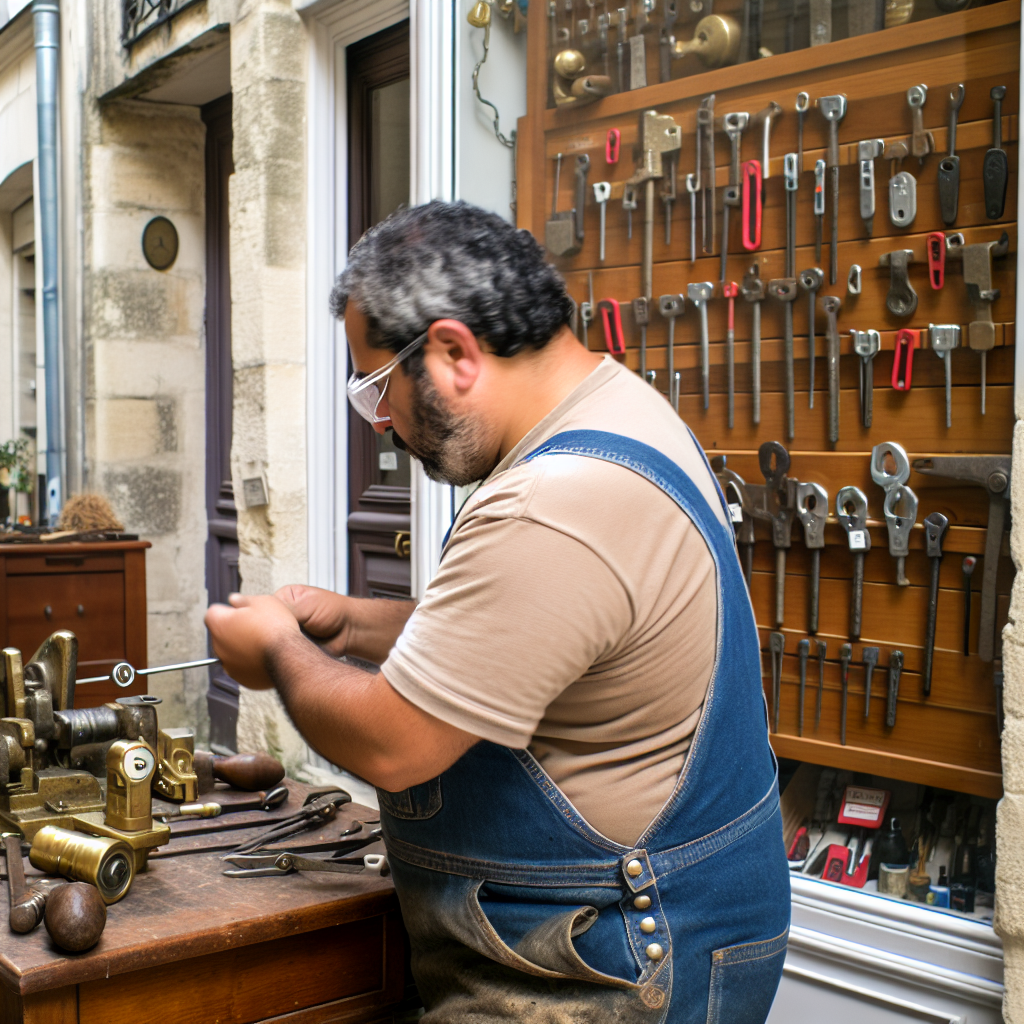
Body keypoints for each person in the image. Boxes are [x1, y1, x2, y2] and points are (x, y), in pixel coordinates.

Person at [205, 200, 790, 1023]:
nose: (384, 427)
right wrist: (353, 623)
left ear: (451, 352)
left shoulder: (549, 504)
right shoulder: (613, 404)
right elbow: (532, 646)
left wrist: (276, 652)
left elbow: (392, 741)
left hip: (612, 956)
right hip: (654, 918)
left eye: (378, 387)